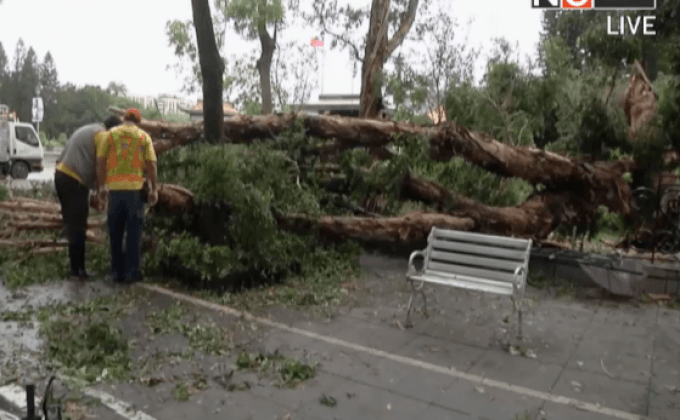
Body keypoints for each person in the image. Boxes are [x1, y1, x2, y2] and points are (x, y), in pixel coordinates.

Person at [55, 116, 122, 280]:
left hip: (62, 176)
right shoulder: (103, 135)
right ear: (113, 129)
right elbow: (100, 163)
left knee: (73, 225)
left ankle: (76, 269)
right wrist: (101, 190)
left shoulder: (92, 129)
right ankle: (78, 271)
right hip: (73, 180)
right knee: (78, 226)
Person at [96, 108, 158, 284]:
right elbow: (152, 165)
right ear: (138, 122)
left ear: (124, 120)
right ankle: (132, 273)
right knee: (133, 234)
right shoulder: (143, 136)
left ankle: (117, 273)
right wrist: (153, 189)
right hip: (135, 192)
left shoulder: (110, 135)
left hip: (114, 192)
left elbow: (100, 162)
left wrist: (101, 186)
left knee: (115, 234)